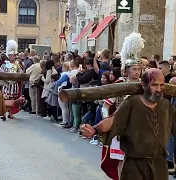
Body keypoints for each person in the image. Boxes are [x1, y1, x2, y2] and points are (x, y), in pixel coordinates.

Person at [81, 32, 144, 179]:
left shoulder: (143, 86)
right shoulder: (119, 85)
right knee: (122, 161)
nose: (136, 72)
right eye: (134, 69)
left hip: (139, 127)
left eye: (138, 69)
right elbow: (105, 106)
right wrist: (110, 124)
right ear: (127, 70)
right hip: (122, 128)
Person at [98, 68, 176, 180]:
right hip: (135, 165)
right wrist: (95, 129)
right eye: (154, 85)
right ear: (144, 85)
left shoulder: (165, 105)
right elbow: (113, 121)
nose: (159, 89)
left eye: (162, 85)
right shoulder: (132, 102)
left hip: (159, 165)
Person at [0, 40, 23, 120]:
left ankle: (10, 113)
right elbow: (0, 74)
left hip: (14, 86)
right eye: (10, 55)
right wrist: (4, 83)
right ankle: (4, 114)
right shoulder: (4, 64)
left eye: (12, 55)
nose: (11, 57)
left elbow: (21, 74)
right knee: (5, 100)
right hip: (6, 85)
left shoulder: (17, 65)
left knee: (13, 100)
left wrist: (17, 79)